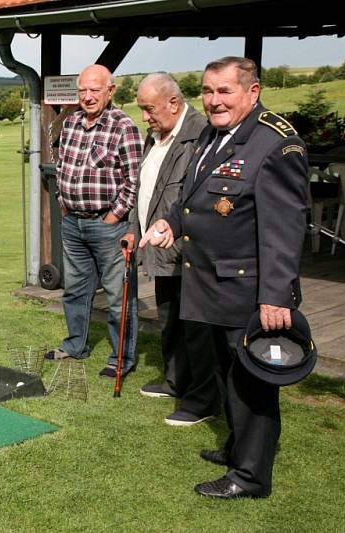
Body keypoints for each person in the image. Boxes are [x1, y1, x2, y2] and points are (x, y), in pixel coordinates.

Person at [140, 57, 308, 498]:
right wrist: (170, 224)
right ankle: (238, 449)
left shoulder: (275, 143)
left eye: (225, 92)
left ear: (252, 93)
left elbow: (284, 230)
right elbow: (195, 198)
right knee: (226, 375)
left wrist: (276, 296)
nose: (214, 101)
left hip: (247, 290)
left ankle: (251, 477)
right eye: (208, 92)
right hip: (209, 282)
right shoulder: (213, 135)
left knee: (252, 383)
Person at [124, 73, 220, 427]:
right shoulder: (157, 136)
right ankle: (176, 380)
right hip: (159, 249)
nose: (145, 117)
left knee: (196, 327)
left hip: (188, 251)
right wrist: (134, 233)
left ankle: (203, 398)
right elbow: (144, 191)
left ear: (173, 103)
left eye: (149, 109)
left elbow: (192, 198)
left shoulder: (201, 134)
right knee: (170, 319)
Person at [45, 64, 142, 379]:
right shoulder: (71, 122)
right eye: (83, 90)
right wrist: (63, 202)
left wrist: (116, 214)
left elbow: (133, 180)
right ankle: (76, 345)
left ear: (110, 91)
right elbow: (63, 168)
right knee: (74, 290)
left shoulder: (123, 126)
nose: (87, 97)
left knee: (118, 295)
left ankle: (121, 359)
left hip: (107, 224)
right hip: (73, 223)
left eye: (94, 90)